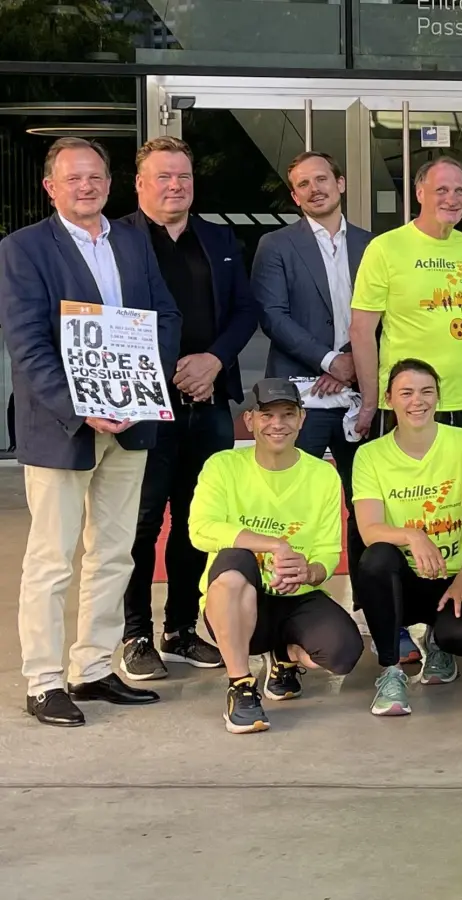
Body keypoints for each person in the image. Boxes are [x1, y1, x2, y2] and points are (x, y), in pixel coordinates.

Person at [0, 137, 178, 727]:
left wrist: (142, 387)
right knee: (52, 559)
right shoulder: (23, 249)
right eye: (74, 178)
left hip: (130, 422)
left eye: (96, 176)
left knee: (115, 552)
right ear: (51, 186)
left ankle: (94, 668)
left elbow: (162, 316)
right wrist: (83, 406)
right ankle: (44, 680)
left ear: (111, 182)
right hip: (63, 427)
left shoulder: (132, 239)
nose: (87, 186)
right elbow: (27, 347)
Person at [118, 135, 259, 680]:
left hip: (210, 401)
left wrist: (214, 362)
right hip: (145, 405)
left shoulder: (219, 239)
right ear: (140, 184)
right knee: (142, 521)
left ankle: (180, 629)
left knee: (197, 522)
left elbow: (244, 312)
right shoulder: (118, 240)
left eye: (184, 176)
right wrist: (165, 370)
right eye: (163, 177)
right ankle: (135, 634)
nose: (175, 186)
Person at [255, 149, 383, 652]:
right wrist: (329, 359)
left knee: (367, 504)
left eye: (322, 179)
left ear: (342, 182)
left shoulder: (374, 245)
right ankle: (288, 616)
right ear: (295, 195)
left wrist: (350, 360)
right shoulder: (276, 244)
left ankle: (371, 612)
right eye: (302, 184)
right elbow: (272, 315)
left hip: (359, 395)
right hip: (300, 397)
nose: (314, 189)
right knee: (297, 505)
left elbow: (382, 315)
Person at [190, 379, 363, 734]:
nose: (277, 424)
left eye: (287, 415)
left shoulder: (322, 476)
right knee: (235, 559)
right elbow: (200, 529)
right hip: (237, 599)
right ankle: (240, 686)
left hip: (292, 597)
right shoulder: (223, 466)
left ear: (302, 419)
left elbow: (329, 553)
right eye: (267, 415)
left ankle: (284, 656)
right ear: (250, 420)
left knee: (343, 653)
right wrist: (272, 544)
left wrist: (307, 570)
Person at [351, 359, 462, 715]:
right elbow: (368, 529)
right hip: (405, 581)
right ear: (389, 399)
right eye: (406, 393)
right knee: (376, 557)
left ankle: (439, 642)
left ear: (439, 398)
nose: (417, 401)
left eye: (427, 392)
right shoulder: (370, 455)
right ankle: (391, 671)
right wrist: (412, 536)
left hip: (457, 576)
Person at [351, 156, 462, 436]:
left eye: (460, 191)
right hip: (406, 401)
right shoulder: (385, 248)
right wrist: (370, 403)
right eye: (442, 190)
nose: (452, 198)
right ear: (420, 193)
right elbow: (362, 331)